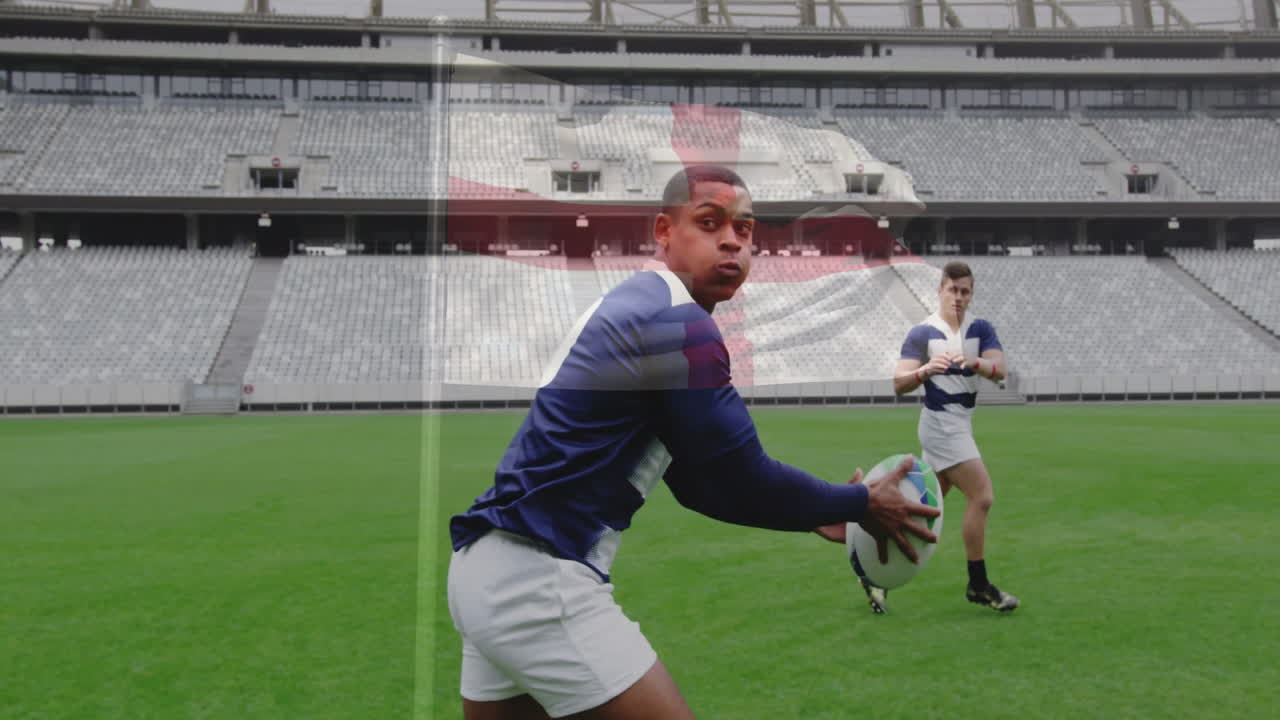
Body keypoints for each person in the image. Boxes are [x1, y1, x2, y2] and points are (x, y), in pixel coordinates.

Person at [447, 164, 940, 720]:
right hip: (539, 582)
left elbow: (699, 484)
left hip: (483, 570)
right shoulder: (677, 323)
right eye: (710, 222)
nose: (732, 240)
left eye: (746, 229)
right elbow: (740, 476)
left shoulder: (638, 303)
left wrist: (815, 511)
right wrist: (860, 504)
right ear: (663, 230)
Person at [857, 260, 1018, 615]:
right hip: (941, 424)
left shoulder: (981, 329)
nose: (958, 298)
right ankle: (978, 584)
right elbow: (900, 382)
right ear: (940, 291)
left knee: (923, 512)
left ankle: (872, 574)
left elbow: (1001, 368)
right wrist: (926, 369)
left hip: (959, 424)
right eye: (952, 290)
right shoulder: (922, 333)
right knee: (983, 496)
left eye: (965, 291)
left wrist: (975, 363)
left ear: (971, 294)